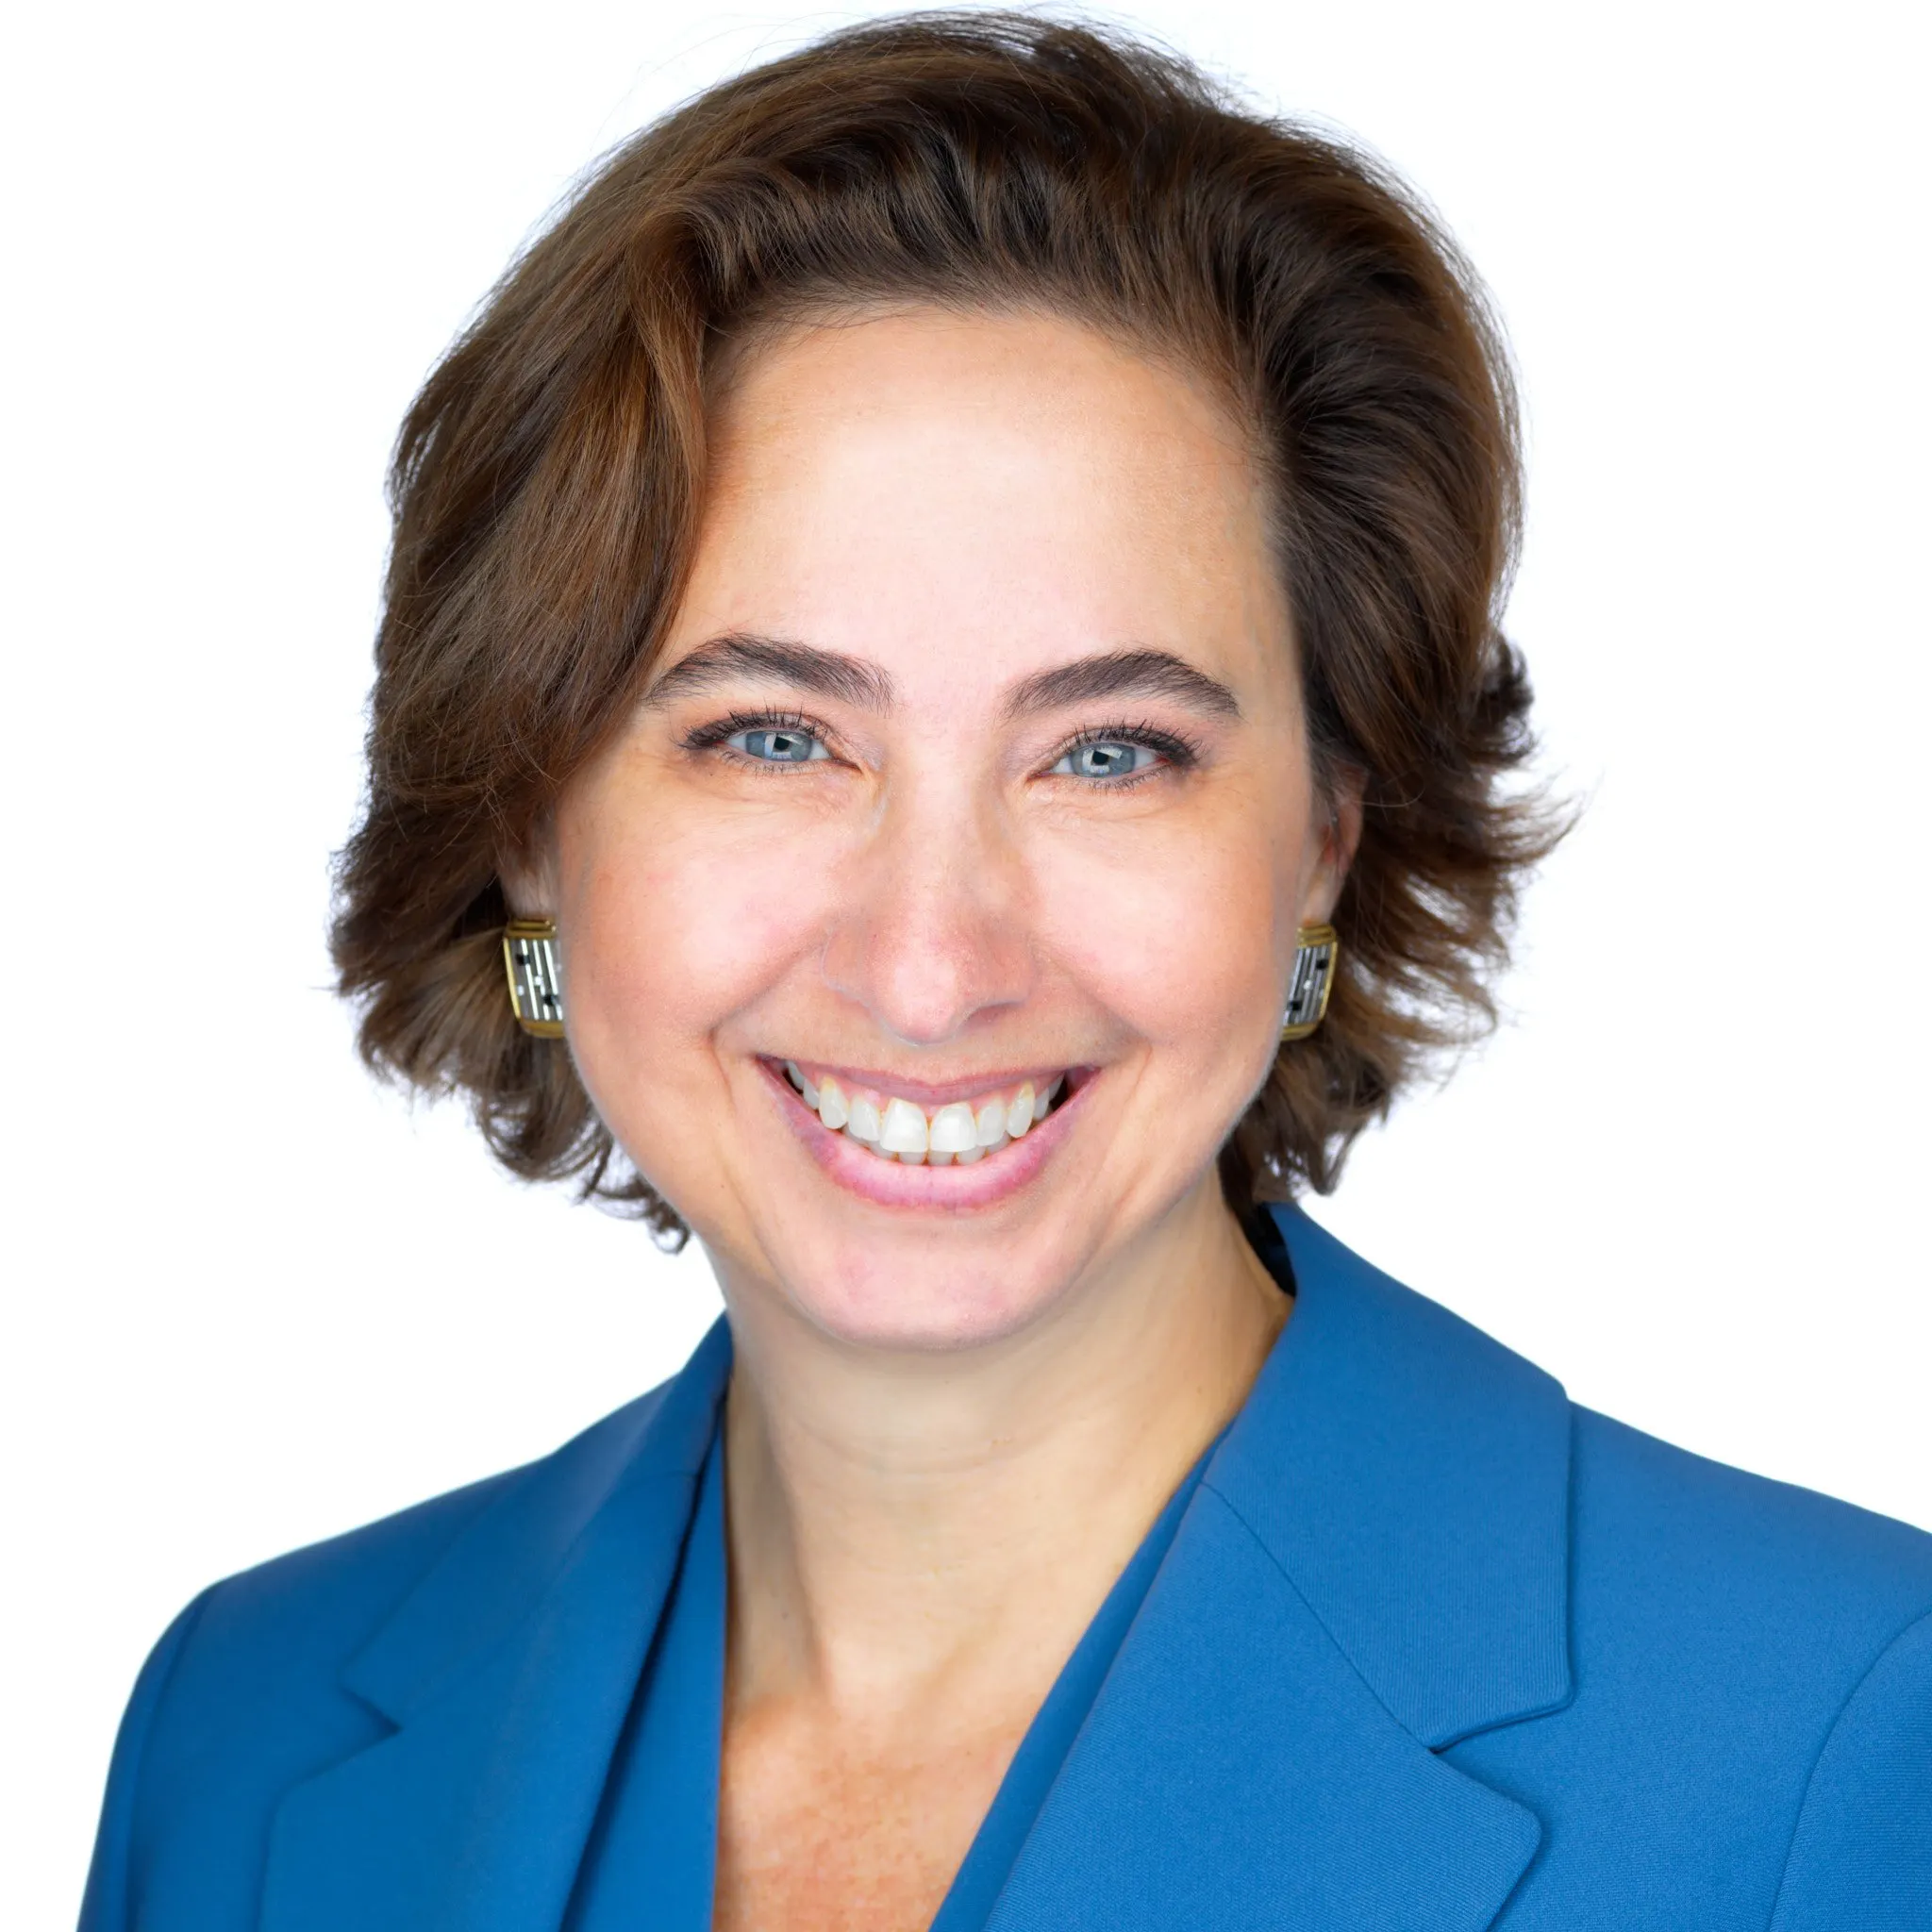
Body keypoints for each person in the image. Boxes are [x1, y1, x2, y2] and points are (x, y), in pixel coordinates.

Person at [79, 15, 1932, 1930]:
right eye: (771, 735)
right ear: (534, 820)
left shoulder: (1843, 1745)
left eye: (1110, 751)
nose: (931, 960)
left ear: (1324, 842)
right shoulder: (247, 1734)